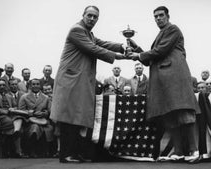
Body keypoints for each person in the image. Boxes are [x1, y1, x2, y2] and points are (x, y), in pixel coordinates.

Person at [50, 5, 126, 163]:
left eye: (95, 17)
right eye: (89, 15)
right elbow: (94, 49)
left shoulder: (88, 33)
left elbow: (102, 43)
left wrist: (122, 46)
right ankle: (65, 155)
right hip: (70, 81)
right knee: (68, 118)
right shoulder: (77, 30)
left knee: (76, 117)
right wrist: (118, 56)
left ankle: (73, 153)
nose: (92, 19)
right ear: (83, 15)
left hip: (77, 81)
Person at [128, 6, 200, 163]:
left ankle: (194, 151)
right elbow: (150, 59)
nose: (158, 18)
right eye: (155, 16)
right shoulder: (162, 33)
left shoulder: (172, 29)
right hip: (163, 82)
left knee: (184, 114)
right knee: (171, 117)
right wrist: (136, 50)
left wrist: (139, 54)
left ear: (168, 16)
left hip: (175, 78)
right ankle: (179, 152)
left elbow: (160, 51)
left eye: (161, 15)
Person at [19, 78, 53, 158]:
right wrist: (29, 113)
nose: (35, 86)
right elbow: (21, 110)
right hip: (30, 121)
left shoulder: (46, 98)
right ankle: (32, 150)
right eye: (33, 84)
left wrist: (44, 113)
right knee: (35, 128)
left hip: (43, 121)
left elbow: (49, 111)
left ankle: (44, 151)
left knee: (49, 128)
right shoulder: (24, 97)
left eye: (37, 84)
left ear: (40, 85)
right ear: (30, 86)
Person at [0, 78, 24, 157]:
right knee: (11, 123)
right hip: (1, 116)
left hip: (11, 114)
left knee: (20, 119)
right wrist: (6, 111)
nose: (2, 87)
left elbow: (15, 106)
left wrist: (13, 109)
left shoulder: (9, 96)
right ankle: (17, 150)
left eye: (3, 85)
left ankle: (15, 133)